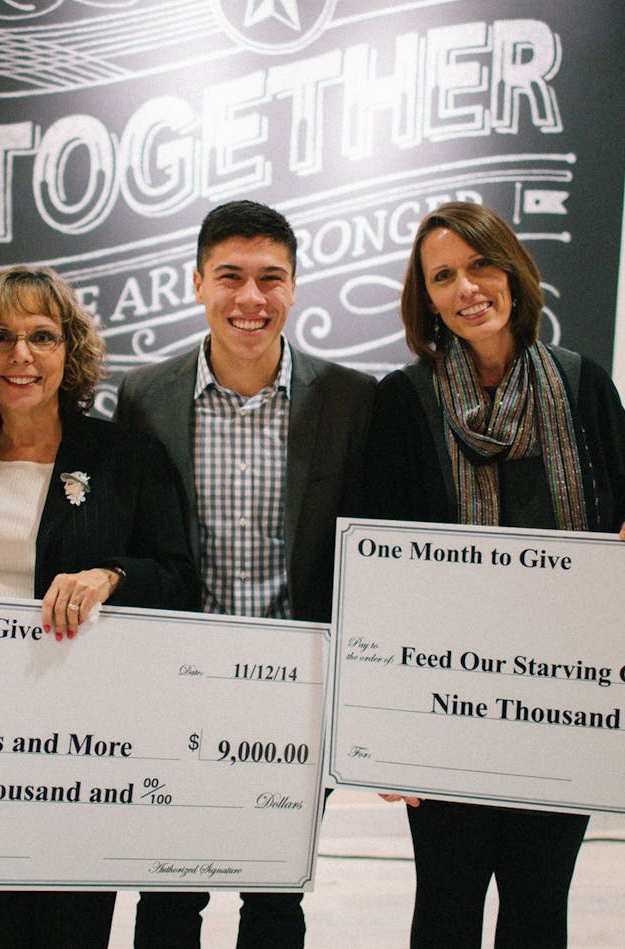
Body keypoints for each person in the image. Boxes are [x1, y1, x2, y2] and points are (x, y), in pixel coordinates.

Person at [363, 200, 625, 948]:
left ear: (512, 271)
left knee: (540, 904)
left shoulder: (582, 386)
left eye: (481, 264)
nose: (467, 287)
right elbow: (381, 575)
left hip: (561, 702)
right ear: (427, 298)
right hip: (447, 704)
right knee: (445, 903)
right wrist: (380, 727)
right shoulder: (403, 402)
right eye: (443, 275)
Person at [113, 200, 376, 949]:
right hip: (178, 684)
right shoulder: (146, 397)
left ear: (295, 286)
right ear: (197, 282)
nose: (250, 299)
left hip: (298, 688)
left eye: (271, 278)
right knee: (167, 890)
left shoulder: (351, 400)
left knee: (274, 896)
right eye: (230, 276)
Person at [0, 266, 198, 948]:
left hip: (83, 740)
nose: (20, 356)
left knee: (69, 929)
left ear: (70, 350)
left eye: (42, 336)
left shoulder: (124, 455)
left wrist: (112, 575)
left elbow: (178, 579)